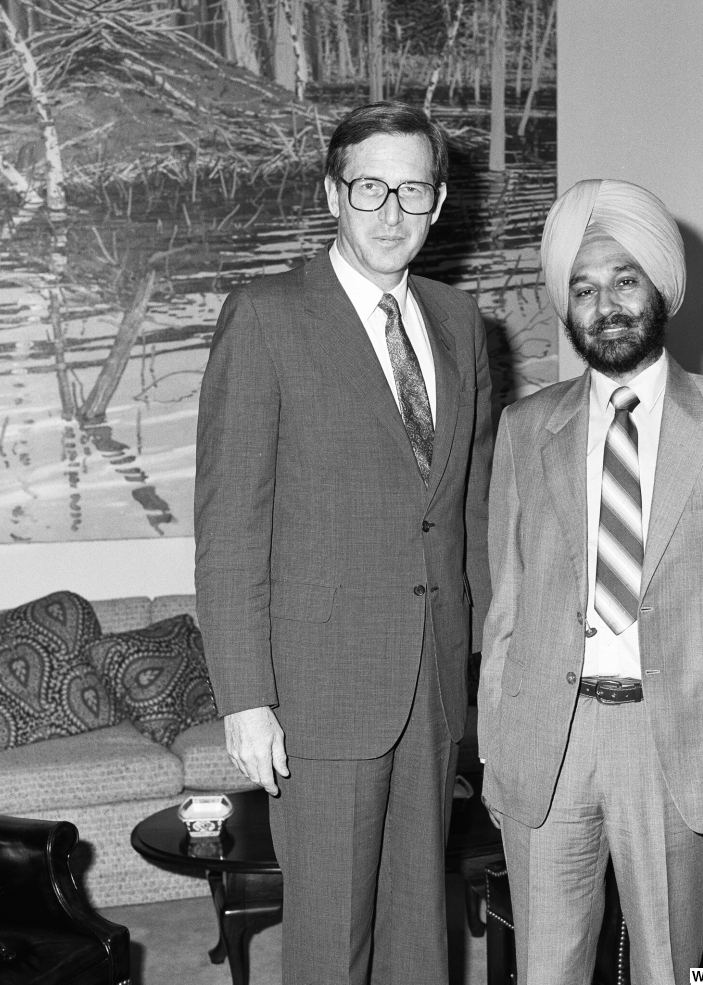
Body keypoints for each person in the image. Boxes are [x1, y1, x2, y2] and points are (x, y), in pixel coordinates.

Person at [194, 102, 492, 985]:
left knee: (419, 934)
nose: (392, 211)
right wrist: (245, 697)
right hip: (320, 693)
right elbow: (229, 529)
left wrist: (487, 662)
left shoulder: (460, 322)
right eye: (370, 187)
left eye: (413, 189)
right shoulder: (267, 316)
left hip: (432, 685)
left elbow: (466, 510)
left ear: (439, 204)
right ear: (334, 193)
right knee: (329, 942)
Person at [477, 178, 703, 985]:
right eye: (581, 288)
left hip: (674, 737)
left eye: (625, 280)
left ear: (660, 287)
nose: (605, 304)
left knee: (667, 965)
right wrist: (494, 752)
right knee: (543, 968)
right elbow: (504, 605)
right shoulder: (526, 426)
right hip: (547, 735)